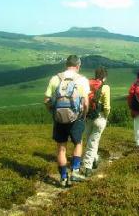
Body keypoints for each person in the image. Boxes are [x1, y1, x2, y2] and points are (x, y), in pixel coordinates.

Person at [44, 55, 90, 187]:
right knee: (78, 143)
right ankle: (75, 171)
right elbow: (86, 102)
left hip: (59, 119)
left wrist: (54, 112)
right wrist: (83, 115)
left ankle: (63, 177)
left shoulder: (55, 79)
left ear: (66, 65)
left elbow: (46, 100)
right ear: (78, 65)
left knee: (61, 149)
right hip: (76, 118)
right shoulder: (82, 80)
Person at [81, 67, 110, 179]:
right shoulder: (105, 87)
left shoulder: (87, 84)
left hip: (88, 116)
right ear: (105, 77)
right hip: (99, 117)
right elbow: (107, 106)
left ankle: (94, 159)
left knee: (90, 140)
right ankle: (88, 167)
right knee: (93, 141)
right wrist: (106, 116)